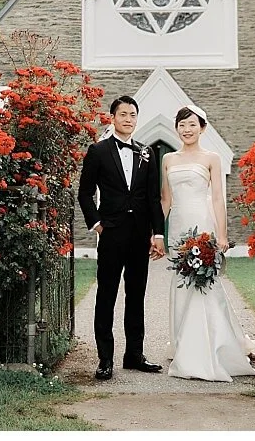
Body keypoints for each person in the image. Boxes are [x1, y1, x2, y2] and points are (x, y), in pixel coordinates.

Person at [159, 105, 255, 382]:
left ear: (202, 128)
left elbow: (216, 199)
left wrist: (221, 235)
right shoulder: (168, 159)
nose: (187, 130)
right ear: (176, 128)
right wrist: (157, 234)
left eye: (192, 124)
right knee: (181, 281)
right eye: (182, 125)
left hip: (202, 223)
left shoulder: (211, 158)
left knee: (203, 282)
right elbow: (166, 199)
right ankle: (182, 341)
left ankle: (208, 345)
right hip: (178, 226)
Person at [78, 95, 167, 380]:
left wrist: (158, 233)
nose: (128, 119)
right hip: (112, 233)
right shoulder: (98, 151)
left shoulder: (146, 153)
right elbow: (85, 193)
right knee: (106, 294)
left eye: (133, 115)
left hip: (140, 234)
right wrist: (97, 224)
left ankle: (134, 355)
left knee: (136, 295)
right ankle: (105, 359)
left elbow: (153, 198)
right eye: (123, 114)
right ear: (113, 118)